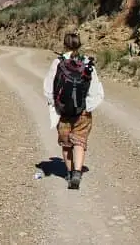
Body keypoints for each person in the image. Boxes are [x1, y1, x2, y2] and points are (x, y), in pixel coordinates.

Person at [43, 31, 104, 189]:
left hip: (63, 112)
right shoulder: (86, 62)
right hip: (82, 111)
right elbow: (96, 90)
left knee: (66, 144)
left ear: (64, 44)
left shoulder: (58, 62)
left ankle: (69, 174)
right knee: (79, 142)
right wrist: (87, 106)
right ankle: (77, 173)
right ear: (79, 44)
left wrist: (56, 105)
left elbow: (49, 88)